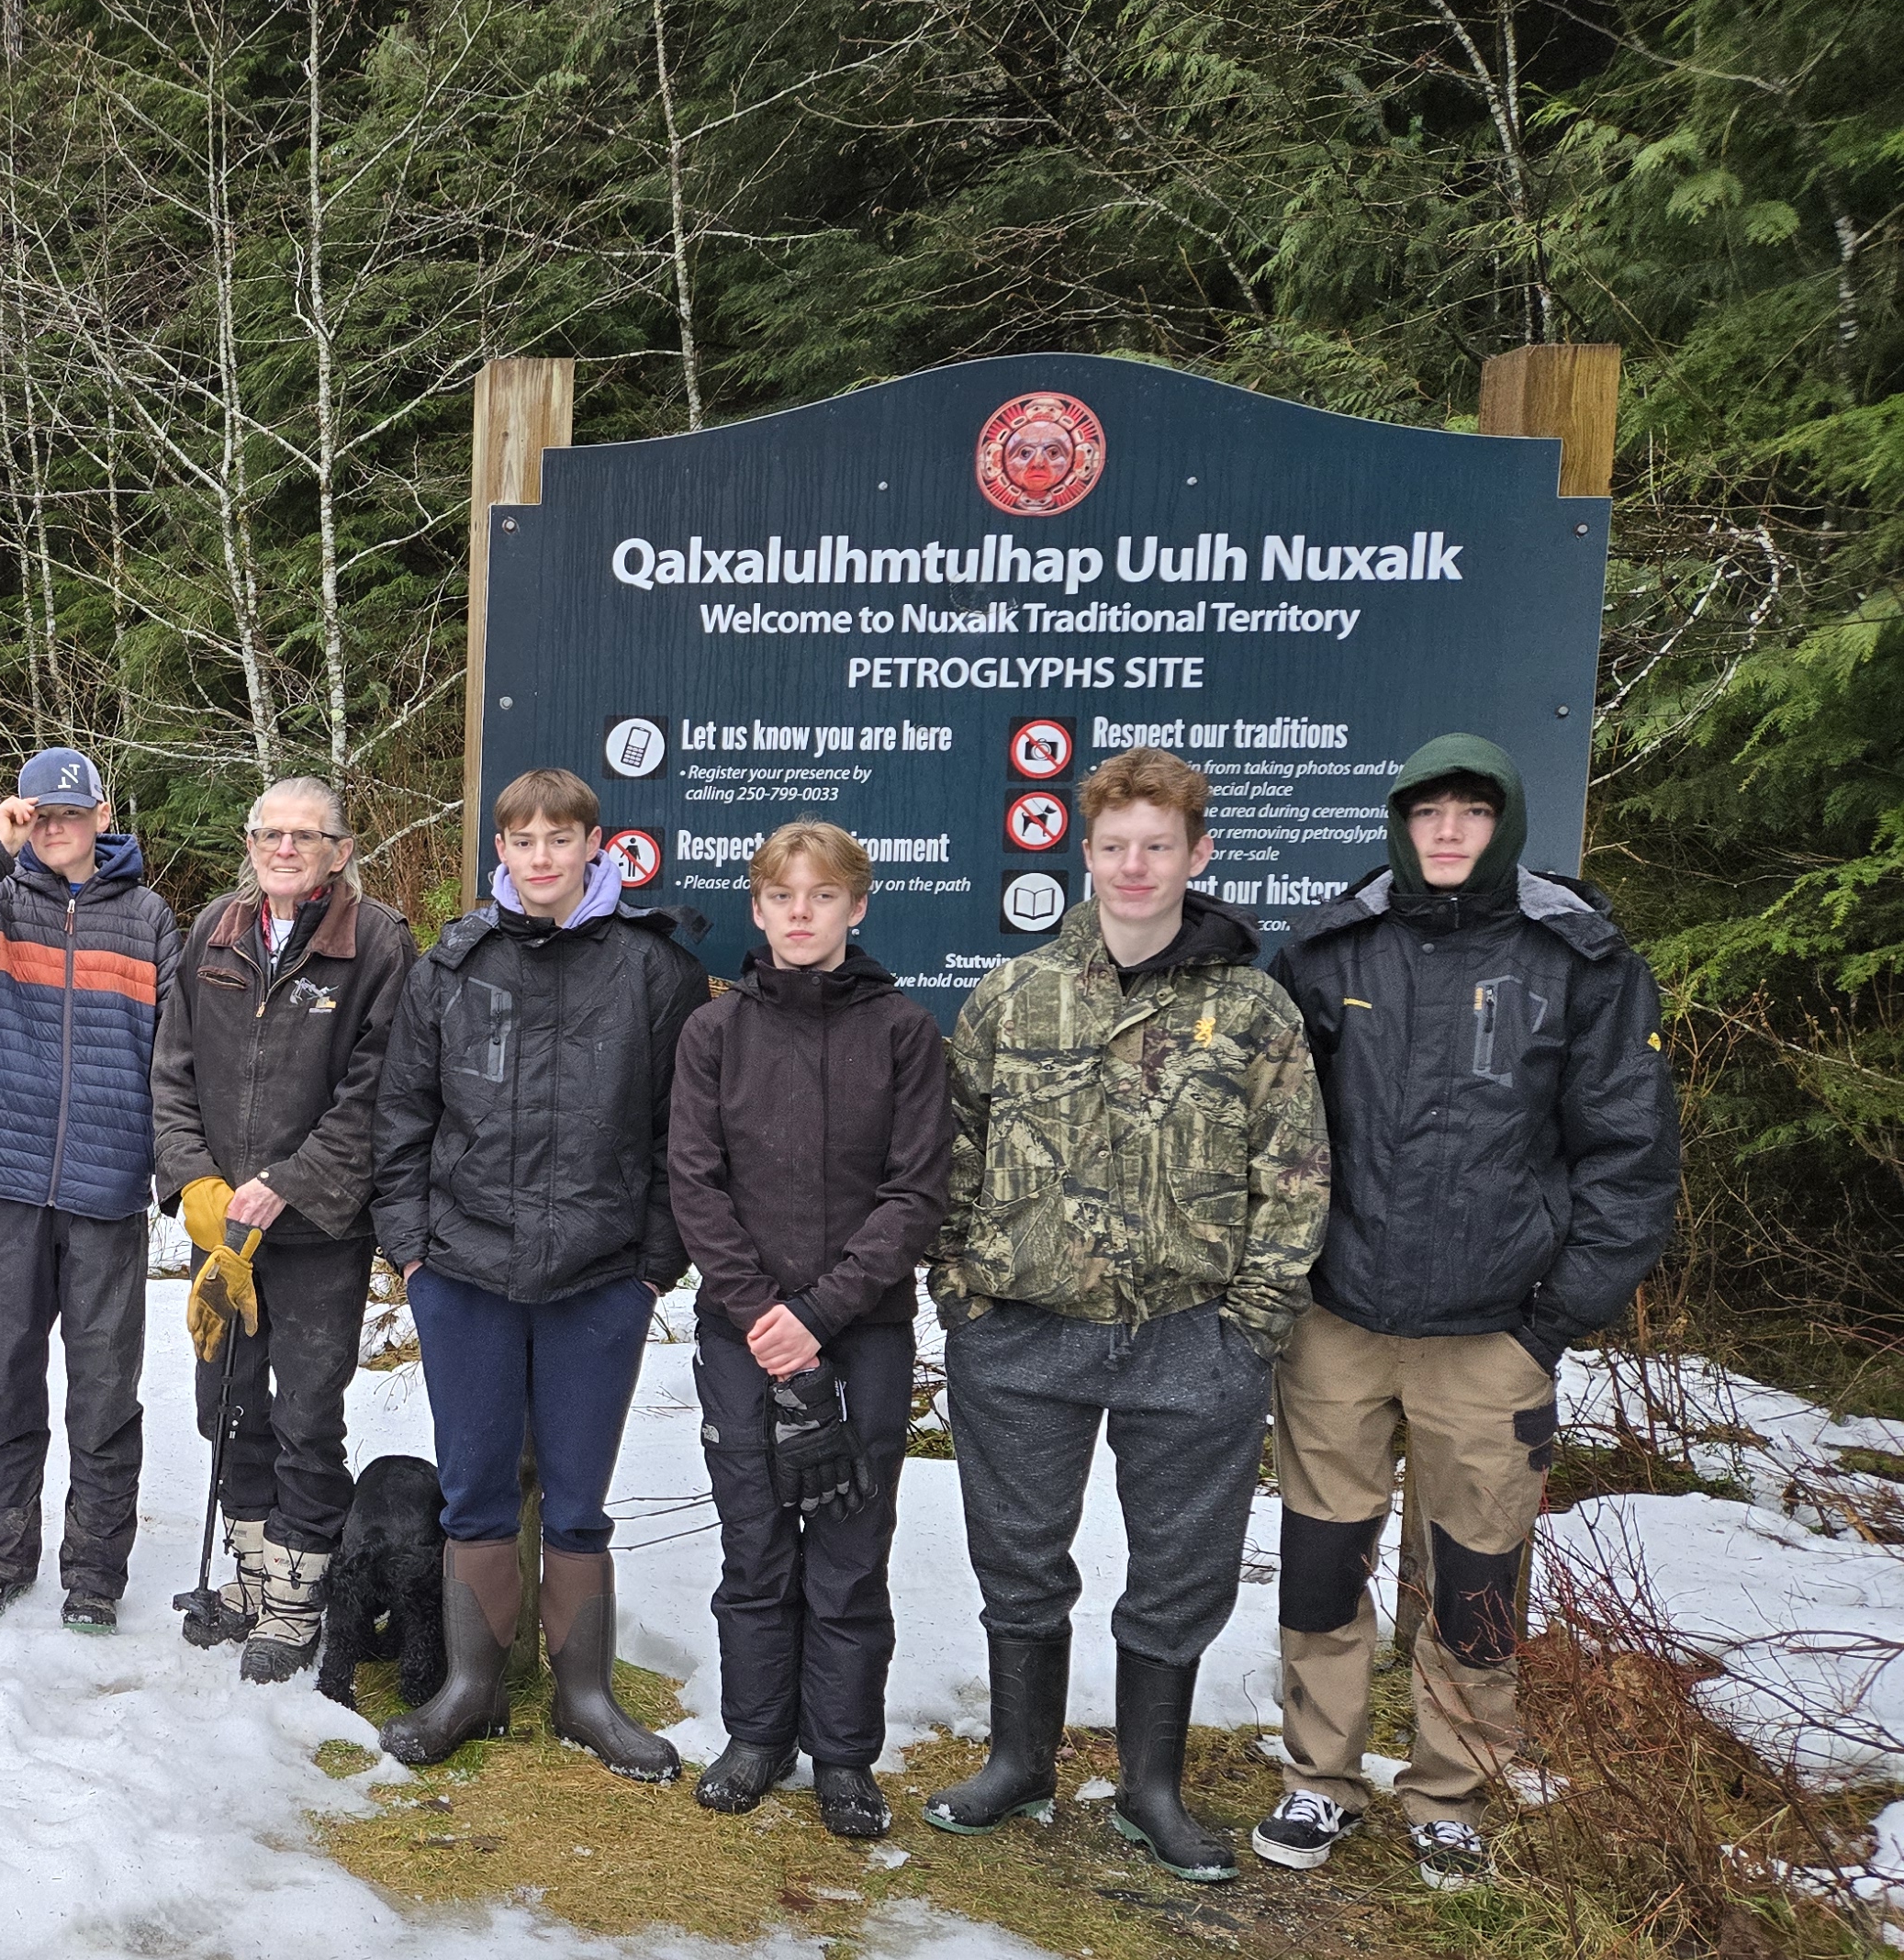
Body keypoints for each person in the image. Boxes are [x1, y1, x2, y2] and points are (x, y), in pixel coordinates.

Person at [1255, 734, 1677, 1891]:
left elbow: (1629, 1151)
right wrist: (1286, 1280)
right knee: (1321, 1559)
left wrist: (1555, 1316)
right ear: (1398, 822)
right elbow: (1271, 1129)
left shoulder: (1575, 959)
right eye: (1427, 810)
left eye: (1472, 813)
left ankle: (1450, 1790)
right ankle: (1318, 1777)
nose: (1448, 831)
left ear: (1505, 825)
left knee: (1476, 1577)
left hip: (1493, 1332)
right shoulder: (1329, 948)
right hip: (1337, 1320)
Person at [924, 746, 1327, 1880]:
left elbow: (1294, 1172)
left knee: (1180, 1571)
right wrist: (960, 1291)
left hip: (1190, 1341)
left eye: (1158, 847)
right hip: (1023, 1336)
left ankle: (1150, 1786)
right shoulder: (1014, 994)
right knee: (1017, 1556)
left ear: (1197, 856)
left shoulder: (1251, 1009)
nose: (1135, 868)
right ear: (1083, 855)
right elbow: (951, 1152)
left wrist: (1249, 1324)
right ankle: (1020, 1761)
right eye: (1114, 848)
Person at [368, 768, 711, 1776]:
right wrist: (414, 1254)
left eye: (561, 839)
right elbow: (403, 1121)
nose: (543, 857)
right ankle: (468, 1689)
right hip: (465, 1271)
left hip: (598, 1278)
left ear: (595, 846)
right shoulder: (451, 967)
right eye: (523, 840)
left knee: (575, 1498)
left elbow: (675, 1137)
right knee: (474, 1490)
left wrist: (653, 1264)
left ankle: (585, 1697)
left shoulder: (653, 972)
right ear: (502, 854)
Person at [661, 822, 947, 1838]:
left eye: (822, 896)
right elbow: (693, 1184)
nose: (800, 912)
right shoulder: (715, 1034)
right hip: (738, 1329)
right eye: (782, 895)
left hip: (860, 1334)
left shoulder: (904, 1033)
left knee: (848, 1543)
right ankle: (754, 1735)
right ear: (757, 907)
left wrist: (819, 1315)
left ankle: (842, 1754)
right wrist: (759, 1316)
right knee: (754, 1541)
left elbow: (915, 1193)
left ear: (856, 907)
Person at [0, 745, 186, 1629]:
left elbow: (176, 1056)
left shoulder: (147, 918)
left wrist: (172, 1170)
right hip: (9, 1182)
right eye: (39, 813)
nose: (54, 827)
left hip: (106, 1187)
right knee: (5, 1378)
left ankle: (94, 1576)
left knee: (104, 1390)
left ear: (103, 816)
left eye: (70, 813)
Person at [151, 775, 411, 1681]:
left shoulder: (376, 945)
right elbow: (171, 1073)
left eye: (307, 835)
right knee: (224, 1405)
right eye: (270, 833)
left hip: (315, 1234)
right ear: (250, 843)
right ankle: (253, 1583)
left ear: (340, 851)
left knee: (304, 1411)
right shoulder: (213, 931)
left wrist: (286, 1185)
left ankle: (295, 1608)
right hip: (222, 1235)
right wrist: (194, 1181)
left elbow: (374, 1094)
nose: (286, 848)